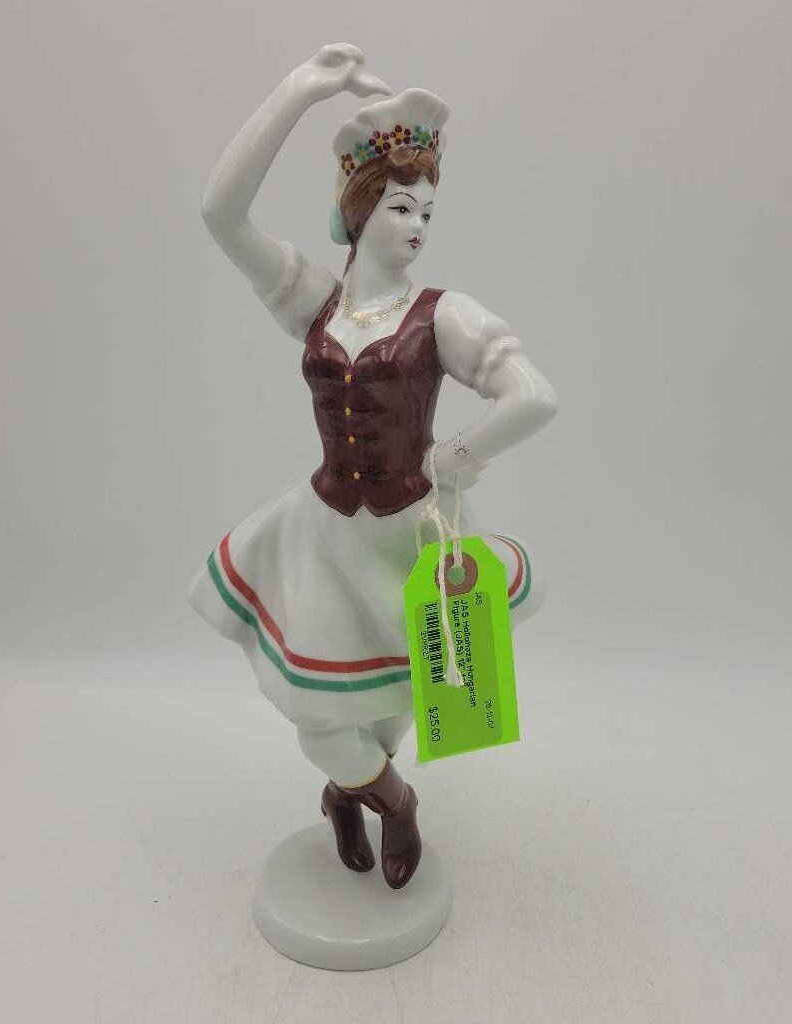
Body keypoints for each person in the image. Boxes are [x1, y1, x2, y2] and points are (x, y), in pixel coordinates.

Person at [187, 43, 558, 889]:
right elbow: (220, 213)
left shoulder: (444, 314)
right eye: (399, 206)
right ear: (359, 213)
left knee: (387, 714)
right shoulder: (316, 301)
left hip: (410, 538)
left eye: (427, 208)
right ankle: (394, 801)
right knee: (324, 723)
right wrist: (296, 92)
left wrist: (455, 455)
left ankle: (347, 795)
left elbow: (534, 395)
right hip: (322, 536)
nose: (417, 224)